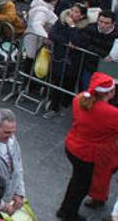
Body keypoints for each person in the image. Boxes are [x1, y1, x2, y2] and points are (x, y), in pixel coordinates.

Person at [57, 73, 118, 221]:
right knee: (80, 186)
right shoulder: (111, 114)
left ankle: (68, 209)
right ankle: (68, 213)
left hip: (74, 146)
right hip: (89, 154)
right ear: (109, 93)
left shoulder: (79, 99)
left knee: (77, 180)